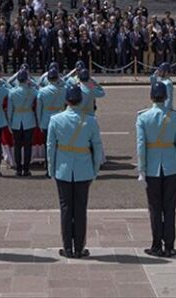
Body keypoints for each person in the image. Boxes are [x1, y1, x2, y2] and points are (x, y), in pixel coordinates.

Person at [47, 85, 104, 259]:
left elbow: (50, 147)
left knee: (65, 209)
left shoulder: (56, 120)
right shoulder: (91, 120)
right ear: (81, 100)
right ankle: (79, 247)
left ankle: (67, 247)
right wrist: (95, 169)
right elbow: (97, 147)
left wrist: (51, 168)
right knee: (80, 209)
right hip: (83, 169)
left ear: (66, 100)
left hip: (63, 169)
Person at [136, 82, 176, 257]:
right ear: (165, 97)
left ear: (151, 96)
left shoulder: (143, 117)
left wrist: (142, 169)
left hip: (153, 168)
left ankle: (156, 244)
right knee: (169, 207)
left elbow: (141, 146)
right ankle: (169, 245)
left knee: (155, 208)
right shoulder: (175, 117)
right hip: (172, 166)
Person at [6, 67, 38, 176]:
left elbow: (10, 110)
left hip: (16, 119)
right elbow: (39, 88)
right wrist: (31, 81)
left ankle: (18, 169)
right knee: (28, 146)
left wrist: (9, 122)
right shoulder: (32, 91)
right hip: (29, 119)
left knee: (17, 146)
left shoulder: (12, 92)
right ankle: (26, 169)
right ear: (26, 79)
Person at [36, 63, 66, 136]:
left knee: (47, 144)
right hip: (60, 119)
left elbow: (39, 109)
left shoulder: (42, 91)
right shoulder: (64, 90)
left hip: (45, 120)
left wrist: (39, 122)